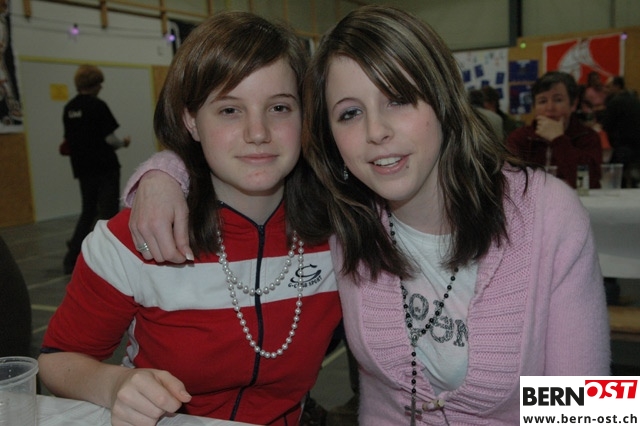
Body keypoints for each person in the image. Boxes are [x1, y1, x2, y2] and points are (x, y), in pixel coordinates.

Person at [124, 5, 610, 425]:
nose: (376, 131)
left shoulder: (546, 214)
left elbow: (590, 408)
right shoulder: (343, 212)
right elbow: (243, 161)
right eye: (350, 113)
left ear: (442, 98)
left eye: (398, 99)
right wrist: (163, 174)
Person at [39, 12, 342, 426]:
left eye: (279, 107)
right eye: (229, 110)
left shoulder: (341, 233)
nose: (258, 132)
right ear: (190, 121)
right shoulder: (136, 238)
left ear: (304, 115)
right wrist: (113, 385)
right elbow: (57, 360)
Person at [62, 64, 131, 275]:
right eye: (100, 83)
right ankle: (109, 261)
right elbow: (110, 139)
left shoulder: (69, 108)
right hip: (104, 166)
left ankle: (71, 258)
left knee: (88, 211)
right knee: (109, 213)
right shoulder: (98, 106)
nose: (101, 87)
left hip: (83, 167)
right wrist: (123, 143)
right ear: (94, 84)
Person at [507, 71, 602, 189]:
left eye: (558, 100)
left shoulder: (587, 136)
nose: (550, 108)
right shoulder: (521, 137)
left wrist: (558, 140)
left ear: (573, 104)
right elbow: (510, 183)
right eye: (542, 101)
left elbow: (589, 182)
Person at [601, 75, 640, 188]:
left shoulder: (614, 102)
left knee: (616, 177)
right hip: (637, 147)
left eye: (609, 87)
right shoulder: (635, 100)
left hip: (622, 147)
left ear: (617, 86)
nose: (606, 90)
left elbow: (606, 125)